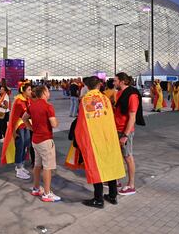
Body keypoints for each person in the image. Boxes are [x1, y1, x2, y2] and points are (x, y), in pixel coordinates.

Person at [65, 76, 125, 208]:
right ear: (98, 86)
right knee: (109, 165)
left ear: (88, 87)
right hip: (108, 137)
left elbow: (81, 122)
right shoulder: (105, 99)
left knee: (96, 166)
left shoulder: (85, 100)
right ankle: (113, 195)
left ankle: (98, 199)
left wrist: (78, 140)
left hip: (93, 139)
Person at [22, 85, 61, 202]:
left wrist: (32, 128)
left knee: (37, 165)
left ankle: (36, 188)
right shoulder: (48, 106)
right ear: (43, 93)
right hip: (45, 140)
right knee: (47, 167)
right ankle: (47, 193)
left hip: (35, 140)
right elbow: (54, 124)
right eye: (48, 91)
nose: (49, 93)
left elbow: (24, 118)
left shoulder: (32, 105)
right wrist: (56, 120)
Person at [113, 72, 144, 196]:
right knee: (118, 156)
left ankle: (131, 185)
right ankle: (117, 180)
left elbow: (132, 117)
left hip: (125, 131)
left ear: (122, 81)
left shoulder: (132, 95)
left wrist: (125, 135)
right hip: (116, 129)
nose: (113, 83)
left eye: (115, 81)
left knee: (128, 157)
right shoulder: (119, 93)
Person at [1, 80, 32, 180]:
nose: (31, 91)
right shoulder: (18, 101)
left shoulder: (27, 100)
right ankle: (19, 168)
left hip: (26, 126)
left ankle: (21, 165)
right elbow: (13, 117)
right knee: (20, 146)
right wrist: (13, 132)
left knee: (25, 145)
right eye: (29, 90)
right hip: (18, 127)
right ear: (23, 91)